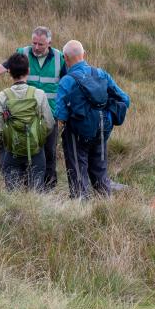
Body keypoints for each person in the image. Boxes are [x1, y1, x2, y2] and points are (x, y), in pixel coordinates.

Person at [0, 26, 65, 189]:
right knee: (22, 150)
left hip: (48, 115)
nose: (36, 47)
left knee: (48, 154)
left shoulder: (60, 58)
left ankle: (48, 189)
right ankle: (26, 186)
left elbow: (67, 84)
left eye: (41, 44)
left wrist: (63, 114)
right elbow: (6, 65)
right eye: (34, 43)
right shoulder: (23, 52)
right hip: (22, 115)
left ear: (49, 43)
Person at [55, 40, 130, 199]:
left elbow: (60, 116)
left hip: (76, 134)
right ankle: (106, 207)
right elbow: (125, 99)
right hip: (102, 130)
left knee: (77, 172)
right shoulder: (101, 74)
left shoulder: (67, 81)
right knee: (100, 172)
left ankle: (81, 209)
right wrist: (107, 114)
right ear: (84, 55)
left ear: (65, 58)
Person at [0, 53, 54, 192]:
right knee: (37, 195)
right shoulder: (39, 94)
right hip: (36, 151)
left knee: (13, 195)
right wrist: (38, 140)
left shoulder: (2, 97)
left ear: (9, 72)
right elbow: (49, 124)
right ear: (28, 71)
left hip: (11, 152)